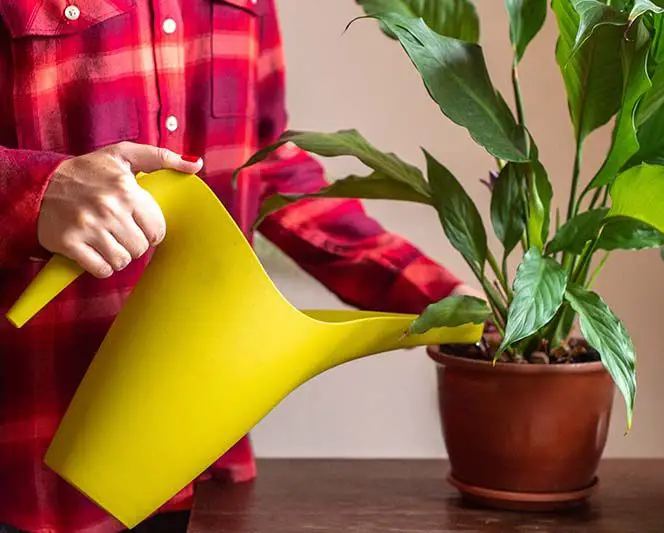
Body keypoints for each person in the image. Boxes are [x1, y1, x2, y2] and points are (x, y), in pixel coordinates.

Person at [0, 2, 477, 532]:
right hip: (31, 469)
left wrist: (457, 304)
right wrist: (33, 191)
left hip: (204, 468)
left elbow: (266, 164)